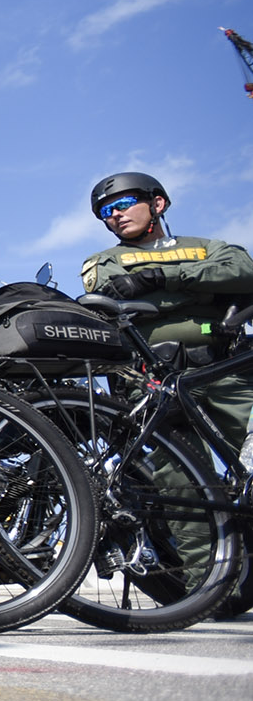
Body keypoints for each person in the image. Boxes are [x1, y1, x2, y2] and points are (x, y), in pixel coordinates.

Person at [81, 172, 253, 589]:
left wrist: (163, 279)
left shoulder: (210, 246)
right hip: (155, 380)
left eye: (123, 204)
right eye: (106, 212)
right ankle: (209, 587)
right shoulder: (104, 261)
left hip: (226, 370)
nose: (115, 216)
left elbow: (244, 271)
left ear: (157, 203)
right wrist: (205, 288)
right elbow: (113, 294)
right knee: (183, 486)